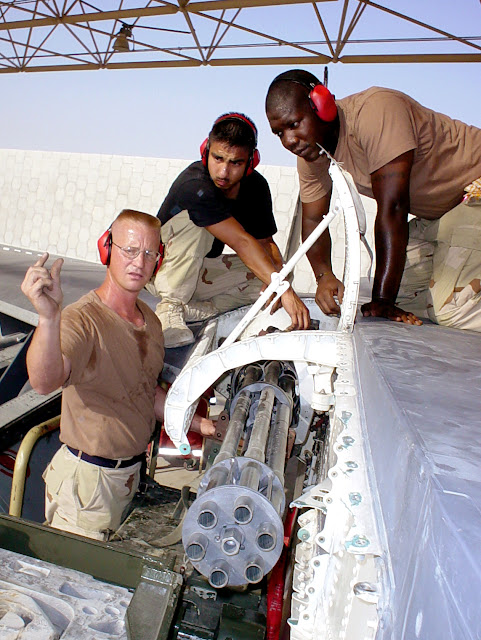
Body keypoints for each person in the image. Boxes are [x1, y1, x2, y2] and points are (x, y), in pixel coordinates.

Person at [21, 209, 215, 540]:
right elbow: (43, 381)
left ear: (158, 260)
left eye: (149, 253)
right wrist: (49, 319)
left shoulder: (151, 323)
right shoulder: (81, 319)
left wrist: (201, 425)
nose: (138, 262)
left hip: (130, 476)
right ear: (107, 249)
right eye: (128, 250)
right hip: (88, 488)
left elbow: (146, 391)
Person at [265, 69, 481, 331]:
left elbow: (394, 208)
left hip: (474, 193)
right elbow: (313, 219)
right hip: (444, 216)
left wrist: (383, 301)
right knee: (399, 291)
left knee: (451, 309)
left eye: (294, 124)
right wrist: (324, 276)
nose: (289, 141)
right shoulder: (312, 153)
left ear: (321, 105)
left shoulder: (375, 111)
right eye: (279, 133)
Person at [147, 112, 310, 348]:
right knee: (196, 222)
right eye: (218, 158)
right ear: (205, 151)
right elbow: (242, 241)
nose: (223, 172)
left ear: (251, 162)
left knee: (277, 269)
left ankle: (199, 309)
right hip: (161, 270)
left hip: (199, 272)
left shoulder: (256, 187)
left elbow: (265, 243)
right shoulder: (195, 186)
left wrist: (281, 279)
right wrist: (283, 290)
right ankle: (169, 308)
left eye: (235, 163)